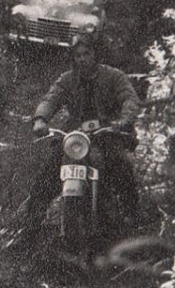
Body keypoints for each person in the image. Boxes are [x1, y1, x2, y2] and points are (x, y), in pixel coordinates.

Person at [22, 32, 140, 243]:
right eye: (78, 55)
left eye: (86, 53)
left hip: (106, 135)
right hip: (75, 138)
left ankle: (133, 220)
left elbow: (129, 98)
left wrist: (123, 120)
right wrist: (41, 119)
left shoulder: (114, 76)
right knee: (47, 175)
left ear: (96, 54)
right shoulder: (67, 80)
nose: (82, 59)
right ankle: (29, 231)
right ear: (73, 58)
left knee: (122, 168)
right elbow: (51, 97)